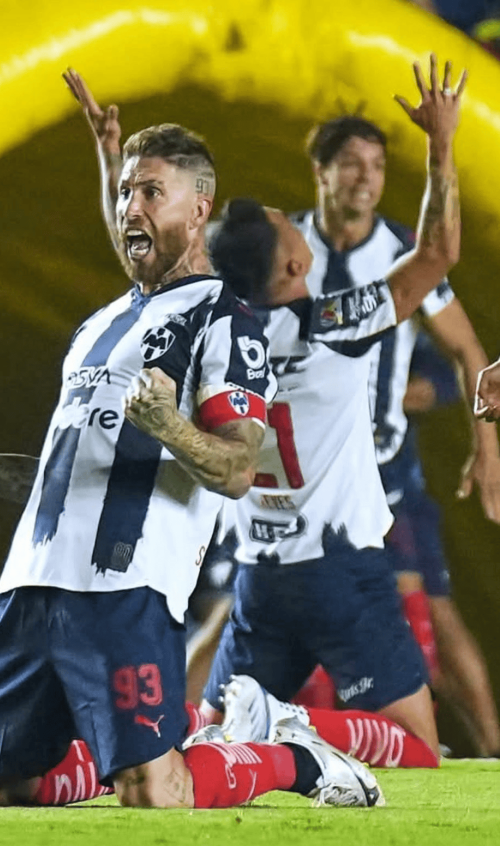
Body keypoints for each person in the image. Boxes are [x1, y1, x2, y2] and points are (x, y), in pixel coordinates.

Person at [0, 114, 382, 807]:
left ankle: (293, 761)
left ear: (199, 209)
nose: (130, 208)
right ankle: (142, 757)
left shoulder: (223, 320)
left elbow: (237, 470)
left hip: (125, 588)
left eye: (151, 192)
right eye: (125, 192)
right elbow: (58, 476)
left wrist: (169, 425)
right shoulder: (97, 327)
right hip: (29, 585)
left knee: (154, 792)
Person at [194, 55, 465, 769]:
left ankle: (233, 728)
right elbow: (437, 253)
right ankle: (295, 723)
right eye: (285, 228)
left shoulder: (210, 339)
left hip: (259, 571)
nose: (295, 226)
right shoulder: (331, 322)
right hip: (339, 570)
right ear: (291, 267)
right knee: (420, 748)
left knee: (213, 743)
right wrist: (441, 146)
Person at [290, 104, 500, 756]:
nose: (366, 178)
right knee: (253, 613)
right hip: (299, 477)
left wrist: (487, 445)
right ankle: (197, 744)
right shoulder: (283, 250)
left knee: (428, 615)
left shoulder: (403, 254)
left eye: (377, 166)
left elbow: (468, 353)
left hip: (384, 470)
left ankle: (489, 753)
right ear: (320, 171)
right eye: (352, 164)